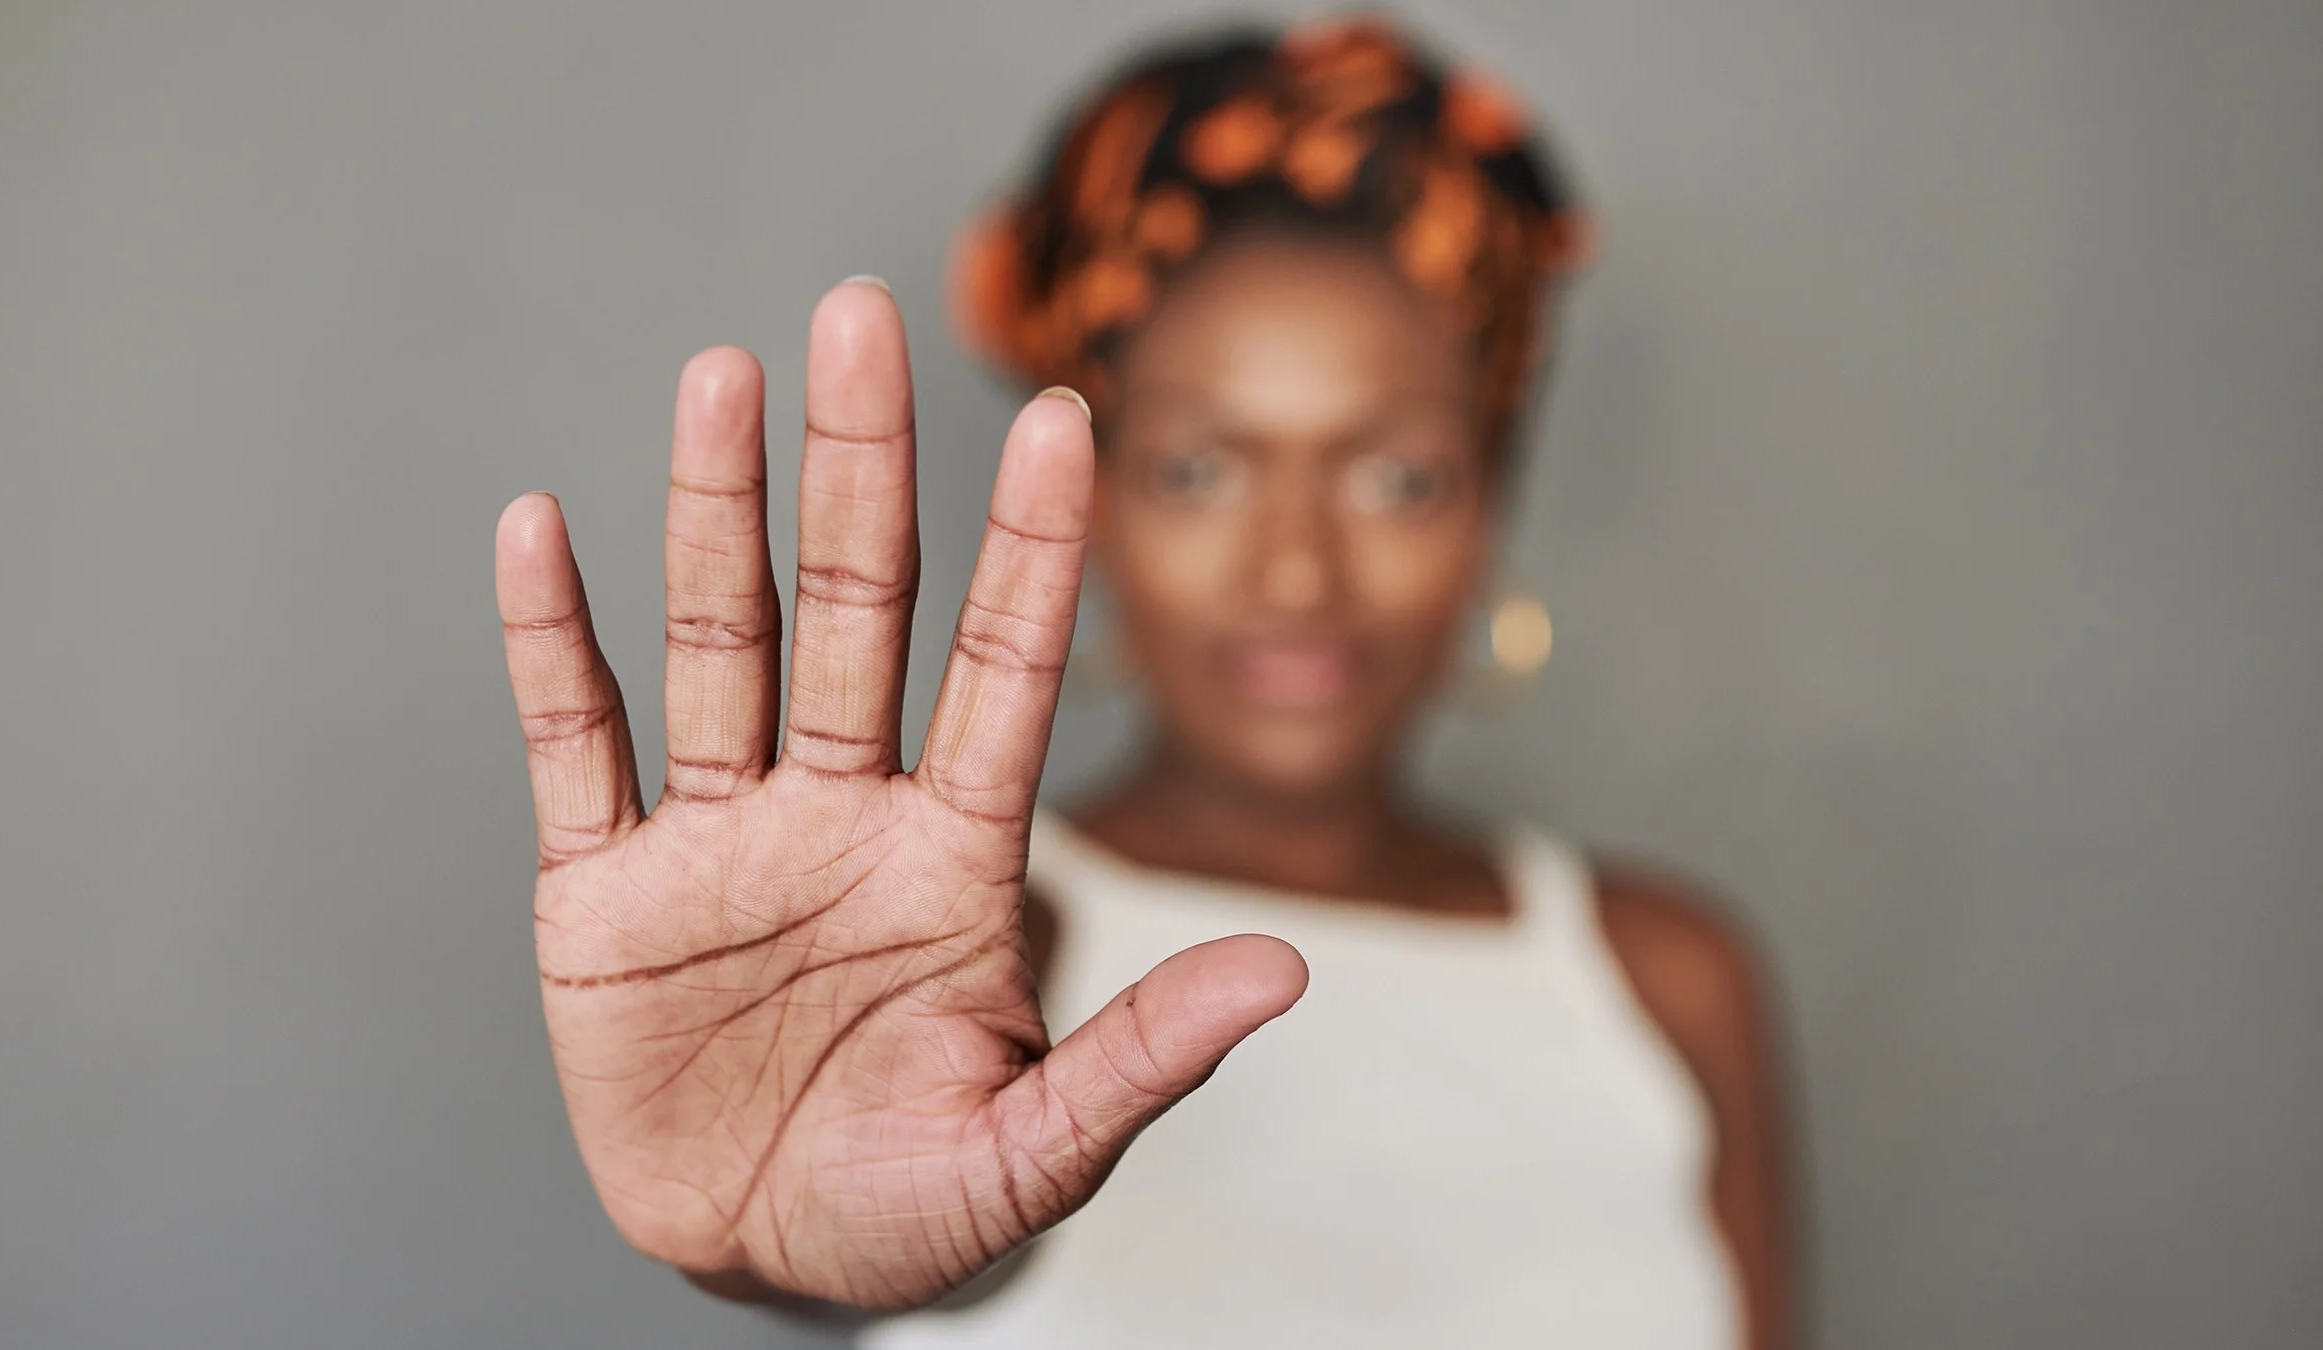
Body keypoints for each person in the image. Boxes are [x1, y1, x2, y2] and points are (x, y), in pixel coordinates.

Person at [492, 17, 1791, 1348]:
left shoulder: (1668, 979)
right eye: (1198, 469)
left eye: (1397, 475)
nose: (1296, 571)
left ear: (1491, 502)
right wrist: (769, 1248)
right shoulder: (964, 945)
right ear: (1092, 498)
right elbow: (913, 1216)